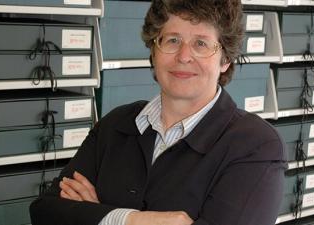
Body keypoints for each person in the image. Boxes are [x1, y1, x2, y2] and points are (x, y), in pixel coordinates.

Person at [30, 0, 287, 224]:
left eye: (201, 43)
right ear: (154, 50)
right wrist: (133, 220)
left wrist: (98, 215)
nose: (184, 56)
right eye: (172, 40)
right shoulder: (116, 124)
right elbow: (45, 212)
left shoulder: (256, 146)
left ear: (225, 59)